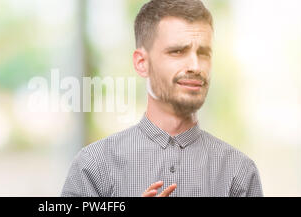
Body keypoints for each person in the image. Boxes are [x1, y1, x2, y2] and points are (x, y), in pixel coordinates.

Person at [61, 0, 263, 197]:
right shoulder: (94, 167)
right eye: (177, 51)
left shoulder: (240, 173)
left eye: (203, 53)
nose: (195, 65)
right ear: (142, 63)